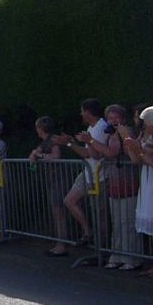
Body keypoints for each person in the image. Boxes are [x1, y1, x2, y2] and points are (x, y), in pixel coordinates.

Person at [118, 105, 153, 278]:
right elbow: (136, 160)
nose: (143, 125)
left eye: (146, 122)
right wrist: (129, 142)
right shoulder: (149, 138)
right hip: (149, 184)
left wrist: (139, 150)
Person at [90, 105, 141, 269]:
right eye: (110, 119)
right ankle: (116, 254)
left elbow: (113, 152)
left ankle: (132, 257)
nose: (113, 122)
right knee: (117, 223)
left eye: (115, 118)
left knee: (128, 222)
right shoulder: (109, 135)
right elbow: (99, 153)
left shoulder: (128, 133)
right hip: (115, 184)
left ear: (122, 119)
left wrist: (91, 141)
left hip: (128, 184)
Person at [53, 98, 109, 246]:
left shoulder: (102, 127)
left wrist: (70, 144)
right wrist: (72, 142)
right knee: (69, 200)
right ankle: (88, 232)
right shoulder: (91, 128)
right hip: (88, 172)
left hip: (99, 175)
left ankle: (101, 248)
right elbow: (88, 152)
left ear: (89, 112)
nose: (81, 114)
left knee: (99, 214)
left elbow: (91, 154)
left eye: (83, 111)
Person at [29, 116, 68, 256]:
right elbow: (33, 154)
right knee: (56, 212)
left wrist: (38, 156)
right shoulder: (46, 141)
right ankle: (59, 243)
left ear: (41, 128)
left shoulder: (53, 140)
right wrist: (35, 154)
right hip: (52, 180)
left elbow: (55, 157)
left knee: (59, 213)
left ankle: (62, 244)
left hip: (59, 179)